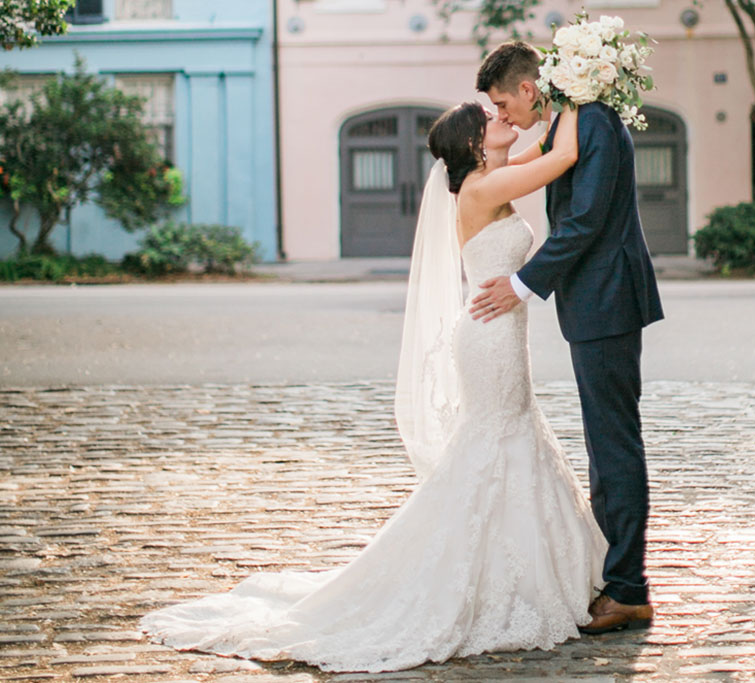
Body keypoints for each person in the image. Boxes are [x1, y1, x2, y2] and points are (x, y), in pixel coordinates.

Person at [140, 101, 611, 673]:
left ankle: (530, 570)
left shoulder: (496, 176)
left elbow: (542, 151)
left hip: (502, 337)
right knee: (494, 446)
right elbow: (564, 153)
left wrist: (553, 107)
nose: (502, 117)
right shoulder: (483, 190)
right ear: (472, 145)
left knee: (511, 440)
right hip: (489, 341)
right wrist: (582, 91)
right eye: (491, 118)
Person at [472, 42, 664, 634]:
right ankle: (615, 576)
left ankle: (629, 588)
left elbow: (585, 221)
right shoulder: (571, 124)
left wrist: (522, 285)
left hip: (608, 300)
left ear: (530, 90)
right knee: (603, 445)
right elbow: (528, 175)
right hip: (594, 303)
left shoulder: (596, 122)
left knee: (614, 444)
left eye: (504, 102)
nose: (504, 115)